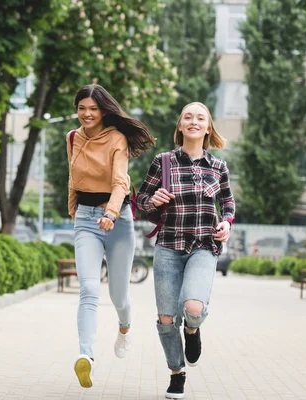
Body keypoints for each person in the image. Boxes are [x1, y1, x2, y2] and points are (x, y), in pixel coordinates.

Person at [136, 102, 235, 399]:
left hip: (204, 246)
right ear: (180, 126)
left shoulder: (218, 167)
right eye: (187, 117)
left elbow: (228, 204)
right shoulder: (164, 161)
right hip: (168, 246)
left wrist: (227, 223)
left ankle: (192, 330)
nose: (193, 121)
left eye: (200, 118)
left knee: (193, 307)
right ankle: (176, 373)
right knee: (166, 318)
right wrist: (153, 199)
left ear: (208, 127)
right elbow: (140, 199)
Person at [67, 84, 156, 388]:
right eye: (82, 108)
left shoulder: (117, 139)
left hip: (117, 219)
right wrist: (74, 211)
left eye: (93, 108)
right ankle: (86, 356)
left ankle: (125, 328)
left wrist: (111, 213)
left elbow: (120, 182)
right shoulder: (72, 138)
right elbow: (73, 177)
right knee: (89, 288)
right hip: (86, 219)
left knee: (119, 294)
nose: (87, 114)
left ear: (104, 111)